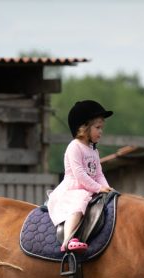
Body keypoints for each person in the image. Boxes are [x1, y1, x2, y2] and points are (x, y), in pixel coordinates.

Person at [46, 100, 114, 253]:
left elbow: (98, 173)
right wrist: (98, 188)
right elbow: (80, 175)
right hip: (73, 190)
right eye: (97, 128)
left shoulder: (93, 151)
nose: (101, 132)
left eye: (101, 128)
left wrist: (106, 188)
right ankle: (68, 239)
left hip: (88, 189)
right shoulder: (74, 147)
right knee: (78, 206)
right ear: (83, 128)